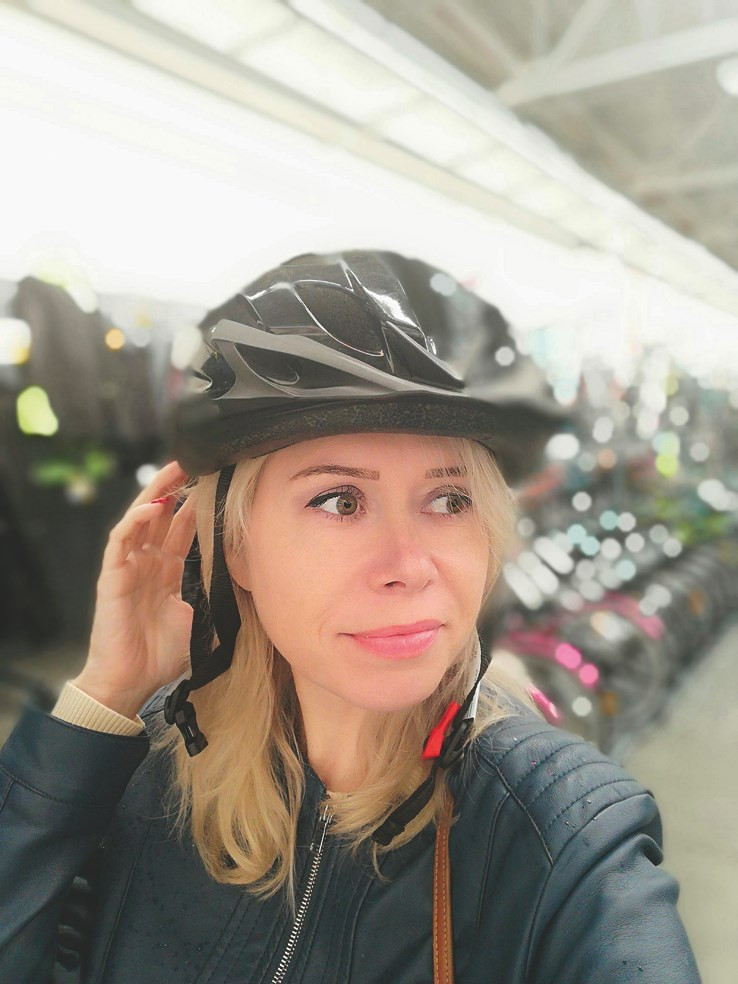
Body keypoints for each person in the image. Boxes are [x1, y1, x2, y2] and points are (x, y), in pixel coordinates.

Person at [0, 250, 701, 983]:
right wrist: (106, 695)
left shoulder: (562, 834)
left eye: (449, 500)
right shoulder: (154, 768)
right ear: (235, 552)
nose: (409, 564)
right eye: (340, 500)